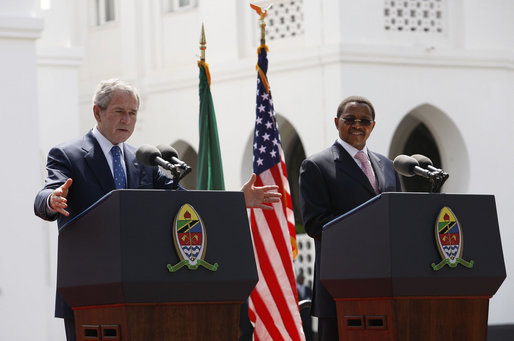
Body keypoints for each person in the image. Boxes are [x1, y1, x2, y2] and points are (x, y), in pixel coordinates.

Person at [34, 79, 281, 341]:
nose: (127, 120)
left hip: (144, 290)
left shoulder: (144, 160)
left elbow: (185, 203)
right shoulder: (67, 154)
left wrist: (235, 200)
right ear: (97, 112)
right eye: (119, 112)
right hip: (90, 291)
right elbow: (45, 193)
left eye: (132, 113)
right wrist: (52, 199)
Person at [299, 95, 401, 340]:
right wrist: (367, 229)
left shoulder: (388, 166)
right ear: (337, 122)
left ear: (373, 126)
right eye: (350, 119)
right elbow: (315, 224)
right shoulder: (316, 165)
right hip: (340, 285)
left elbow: (397, 217)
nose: (358, 125)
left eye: (365, 120)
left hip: (385, 284)